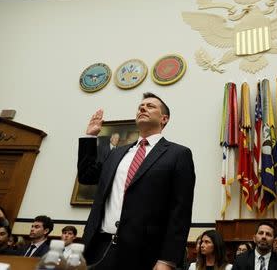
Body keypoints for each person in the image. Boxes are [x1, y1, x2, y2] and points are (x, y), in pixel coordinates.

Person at [78, 92, 196, 270]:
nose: (143, 108)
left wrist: (168, 259)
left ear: (164, 119)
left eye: (150, 106)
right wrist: (90, 137)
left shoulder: (178, 154)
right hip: (98, 247)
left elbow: (180, 211)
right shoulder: (116, 153)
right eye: (141, 106)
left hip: (144, 253)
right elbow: (87, 176)